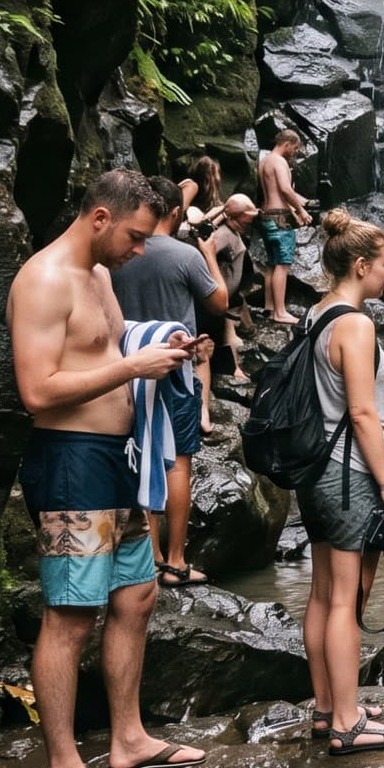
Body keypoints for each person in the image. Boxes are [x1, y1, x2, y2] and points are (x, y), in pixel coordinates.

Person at [8, 169, 204, 768]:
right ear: (98, 217)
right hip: (70, 463)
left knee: (138, 593)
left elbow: (110, 347)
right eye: (136, 236)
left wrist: (160, 345)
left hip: (118, 460)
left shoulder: (98, 275)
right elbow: (38, 390)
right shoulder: (42, 280)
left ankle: (127, 739)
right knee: (70, 615)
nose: (140, 250)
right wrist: (131, 366)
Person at [295, 209, 384, 754]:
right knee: (343, 601)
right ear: (361, 264)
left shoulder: (315, 314)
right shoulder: (357, 323)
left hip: (317, 472)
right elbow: (365, 415)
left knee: (321, 596)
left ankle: (326, 709)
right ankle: (347, 722)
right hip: (349, 475)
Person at [110, 177, 225, 586]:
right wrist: (208, 253)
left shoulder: (117, 253)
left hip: (126, 370)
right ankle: (175, 561)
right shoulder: (184, 254)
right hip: (175, 371)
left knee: (137, 454)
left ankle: (149, 556)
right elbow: (220, 303)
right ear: (175, 214)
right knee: (176, 462)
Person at [207, 192, 259, 396]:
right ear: (231, 217)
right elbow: (207, 252)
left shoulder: (234, 230)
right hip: (220, 294)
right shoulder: (222, 234)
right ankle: (232, 369)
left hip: (231, 292)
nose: (247, 225)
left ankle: (247, 334)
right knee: (224, 334)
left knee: (229, 326)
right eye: (245, 221)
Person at [257, 130, 311, 325]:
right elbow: (285, 189)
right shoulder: (279, 161)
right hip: (280, 218)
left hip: (265, 217)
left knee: (272, 263)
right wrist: (300, 211)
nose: (294, 153)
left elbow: (276, 191)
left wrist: (305, 202)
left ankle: (269, 307)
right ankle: (280, 312)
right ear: (287, 143)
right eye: (294, 148)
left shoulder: (265, 161)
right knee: (282, 264)